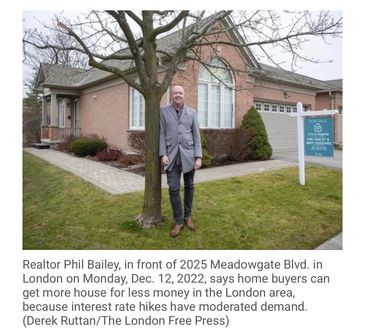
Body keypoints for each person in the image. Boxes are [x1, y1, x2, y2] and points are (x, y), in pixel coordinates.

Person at [159, 85, 202, 237]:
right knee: (173, 189)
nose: (178, 95)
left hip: (189, 155)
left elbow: (197, 136)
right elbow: (162, 134)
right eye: (175, 93)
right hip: (171, 156)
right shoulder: (163, 112)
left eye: (180, 93)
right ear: (171, 95)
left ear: (184, 95)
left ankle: (187, 217)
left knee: (189, 186)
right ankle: (178, 221)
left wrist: (198, 157)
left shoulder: (192, 113)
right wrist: (163, 154)